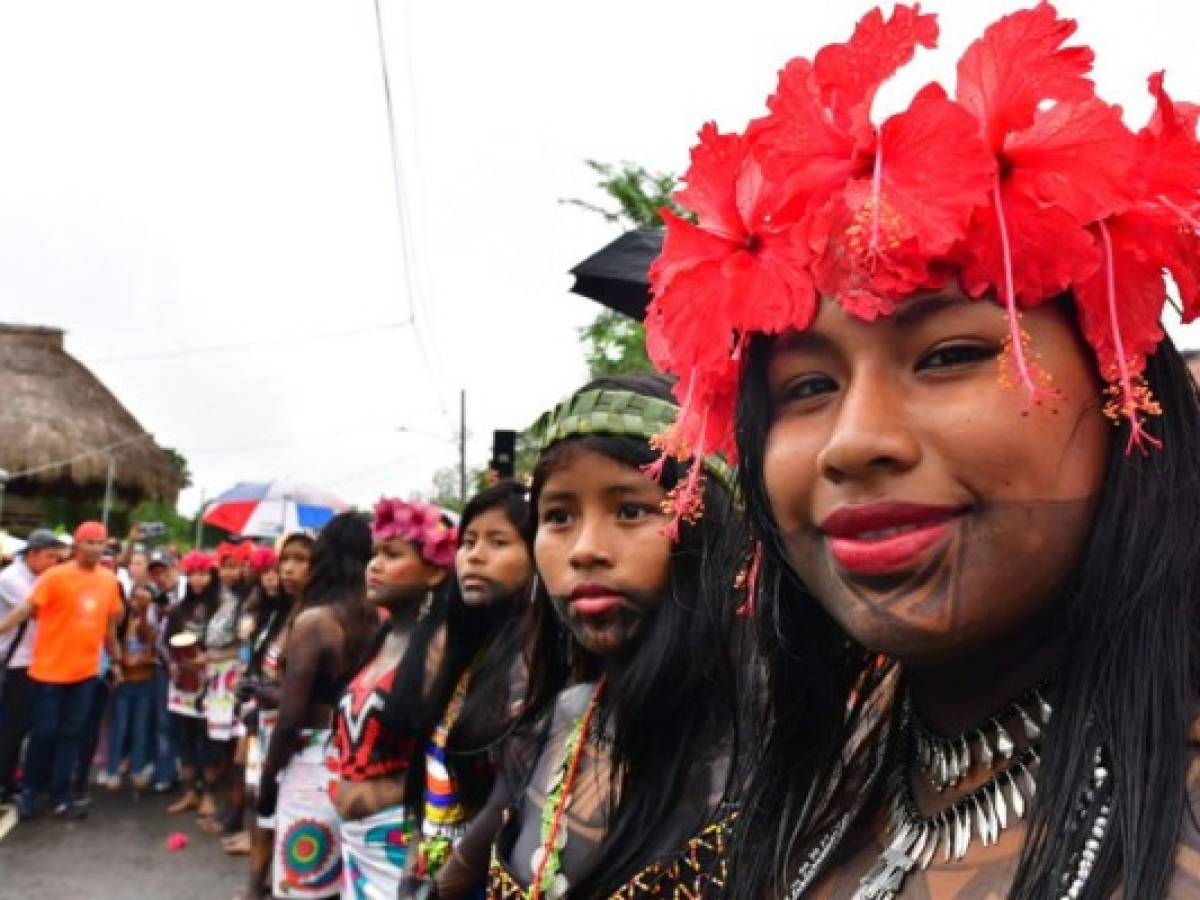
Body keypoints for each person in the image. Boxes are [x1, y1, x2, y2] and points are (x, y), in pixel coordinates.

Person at [640, 5, 1200, 897]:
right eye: (806, 389)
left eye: (950, 356)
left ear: (1120, 390)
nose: (855, 443)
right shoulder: (821, 759)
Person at [475, 375, 743, 899]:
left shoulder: (782, 741)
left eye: (629, 510)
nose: (585, 549)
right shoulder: (559, 720)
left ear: (706, 525)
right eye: (558, 517)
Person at [404, 480, 534, 898]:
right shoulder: (472, 654)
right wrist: (415, 864)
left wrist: (445, 884)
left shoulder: (534, 662)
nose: (474, 556)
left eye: (498, 542)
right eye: (469, 541)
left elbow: (508, 799)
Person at [331, 497, 458, 897]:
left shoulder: (438, 646)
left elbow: (445, 759)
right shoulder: (383, 638)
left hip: (399, 845)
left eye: (392, 554)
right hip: (353, 843)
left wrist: (420, 857)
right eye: (374, 554)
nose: (374, 565)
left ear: (435, 571)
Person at [257, 512, 376, 900]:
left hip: (311, 762)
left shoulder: (316, 622)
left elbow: (291, 719)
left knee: (305, 883)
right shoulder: (379, 616)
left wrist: (269, 777)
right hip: (358, 759)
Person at [0, 521, 124, 820]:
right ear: (77, 546)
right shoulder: (55, 576)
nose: (95, 548)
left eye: (100, 543)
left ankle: (60, 794)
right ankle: (29, 792)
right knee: (43, 733)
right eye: (89, 542)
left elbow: (109, 626)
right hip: (48, 673)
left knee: (72, 734)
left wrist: (116, 661)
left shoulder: (108, 581)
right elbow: (26, 609)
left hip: (84, 673)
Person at [237, 533, 315, 898]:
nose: (288, 568)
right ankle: (255, 887)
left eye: (301, 560)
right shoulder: (279, 612)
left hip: (296, 738)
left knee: (286, 820)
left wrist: (271, 696)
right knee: (260, 810)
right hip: (266, 727)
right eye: (285, 559)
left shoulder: (317, 619)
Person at [0, 529, 67, 802]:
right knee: (13, 726)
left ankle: (10, 778)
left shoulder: (39, 577)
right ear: (33, 553)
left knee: (24, 725)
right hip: (15, 661)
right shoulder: (11, 579)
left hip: (35, 659)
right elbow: (40, 609)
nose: (54, 563)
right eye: (51, 557)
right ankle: (3, 781)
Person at [164, 550, 220, 815]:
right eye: (193, 574)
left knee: (207, 740)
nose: (198, 580)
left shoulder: (221, 610)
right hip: (182, 685)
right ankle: (190, 793)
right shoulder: (178, 610)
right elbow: (165, 643)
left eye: (203, 574)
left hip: (211, 683)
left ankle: (209, 795)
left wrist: (208, 658)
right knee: (184, 738)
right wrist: (172, 664)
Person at [104, 581, 158, 791]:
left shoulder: (151, 619)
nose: (138, 603)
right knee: (119, 727)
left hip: (145, 680)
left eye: (144, 599)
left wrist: (144, 612)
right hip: (125, 682)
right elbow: (112, 641)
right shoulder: (122, 619)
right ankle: (112, 770)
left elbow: (147, 638)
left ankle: (137, 768)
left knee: (140, 727)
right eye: (135, 598)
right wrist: (120, 661)